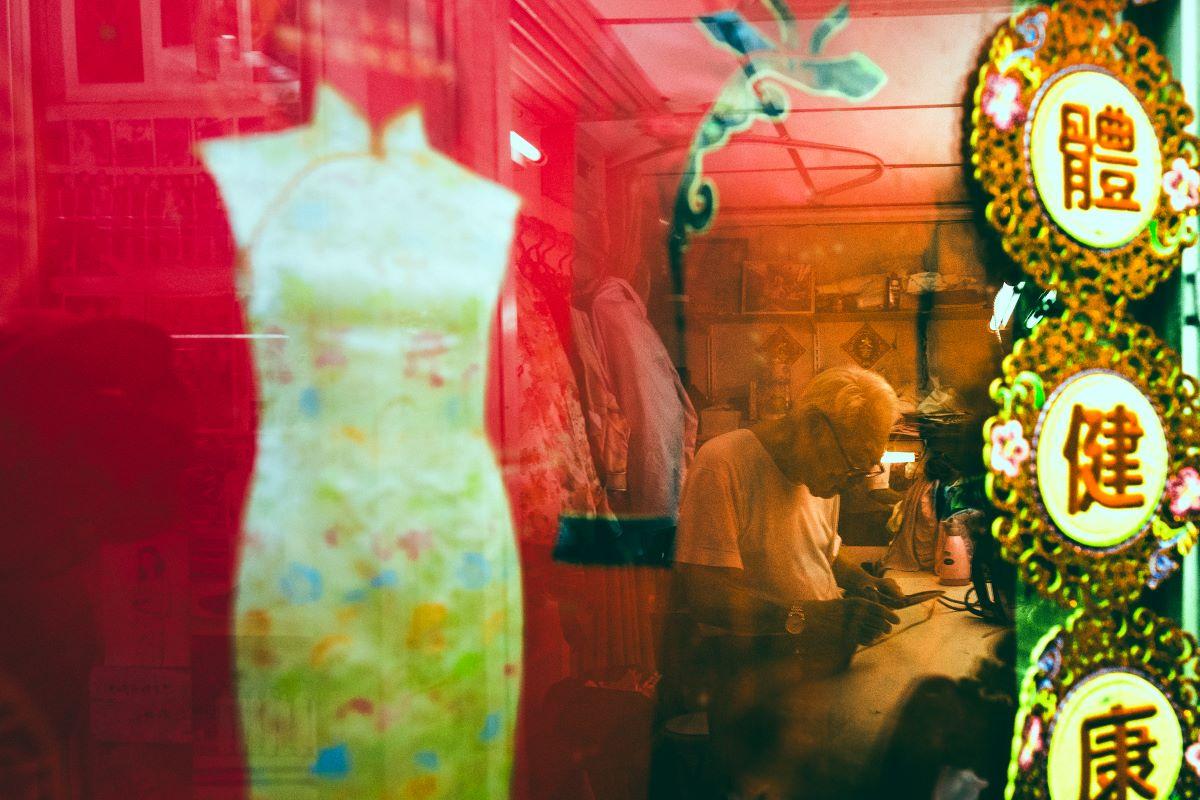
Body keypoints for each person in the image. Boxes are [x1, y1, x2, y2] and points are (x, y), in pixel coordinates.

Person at [673, 365, 904, 672]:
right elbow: (706, 595)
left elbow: (822, 553)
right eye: (853, 466)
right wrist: (809, 616)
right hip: (754, 675)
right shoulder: (723, 464)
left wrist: (865, 583)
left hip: (821, 662)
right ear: (814, 427)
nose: (854, 483)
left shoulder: (821, 476)